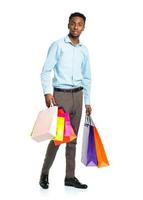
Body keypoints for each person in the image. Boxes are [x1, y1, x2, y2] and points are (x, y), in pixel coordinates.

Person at [40, 12, 92, 189]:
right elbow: (46, 70)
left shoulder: (84, 50)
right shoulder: (58, 46)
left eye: (79, 24)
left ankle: (70, 177)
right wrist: (47, 92)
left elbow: (87, 78)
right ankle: (44, 173)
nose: (76, 27)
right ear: (68, 25)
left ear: (84, 27)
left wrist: (87, 101)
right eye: (73, 23)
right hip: (61, 95)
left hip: (78, 96)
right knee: (58, 138)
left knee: (73, 139)